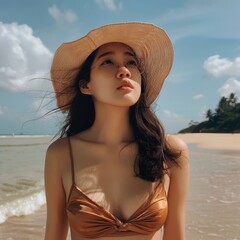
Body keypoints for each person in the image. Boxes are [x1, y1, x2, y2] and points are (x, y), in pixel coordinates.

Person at [44, 22, 189, 240]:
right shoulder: (62, 154)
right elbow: (53, 235)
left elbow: (176, 236)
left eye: (131, 62)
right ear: (86, 85)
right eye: (108, 62)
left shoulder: (168, 151)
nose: (124, 71)